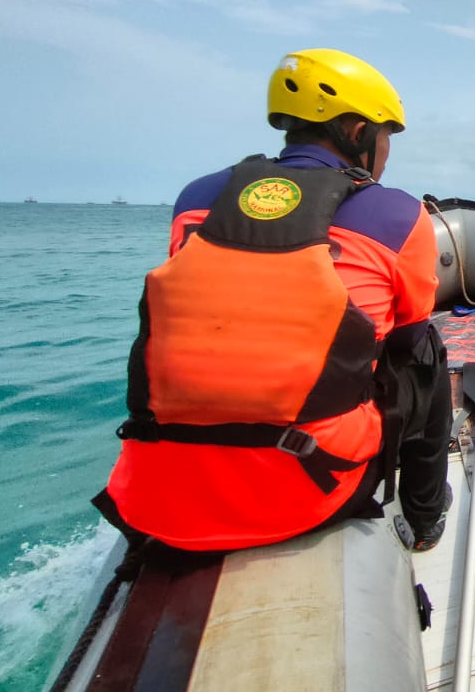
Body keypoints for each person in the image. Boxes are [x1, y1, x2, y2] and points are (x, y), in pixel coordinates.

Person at [94, 48, 451, 553]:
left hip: (156, 493)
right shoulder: (397, 214)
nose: (388, 149)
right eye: (386, 134)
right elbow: (408, 335)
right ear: (356, 132)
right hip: (313, 488)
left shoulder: (196, 197)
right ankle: (425, 514)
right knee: (428, 351)